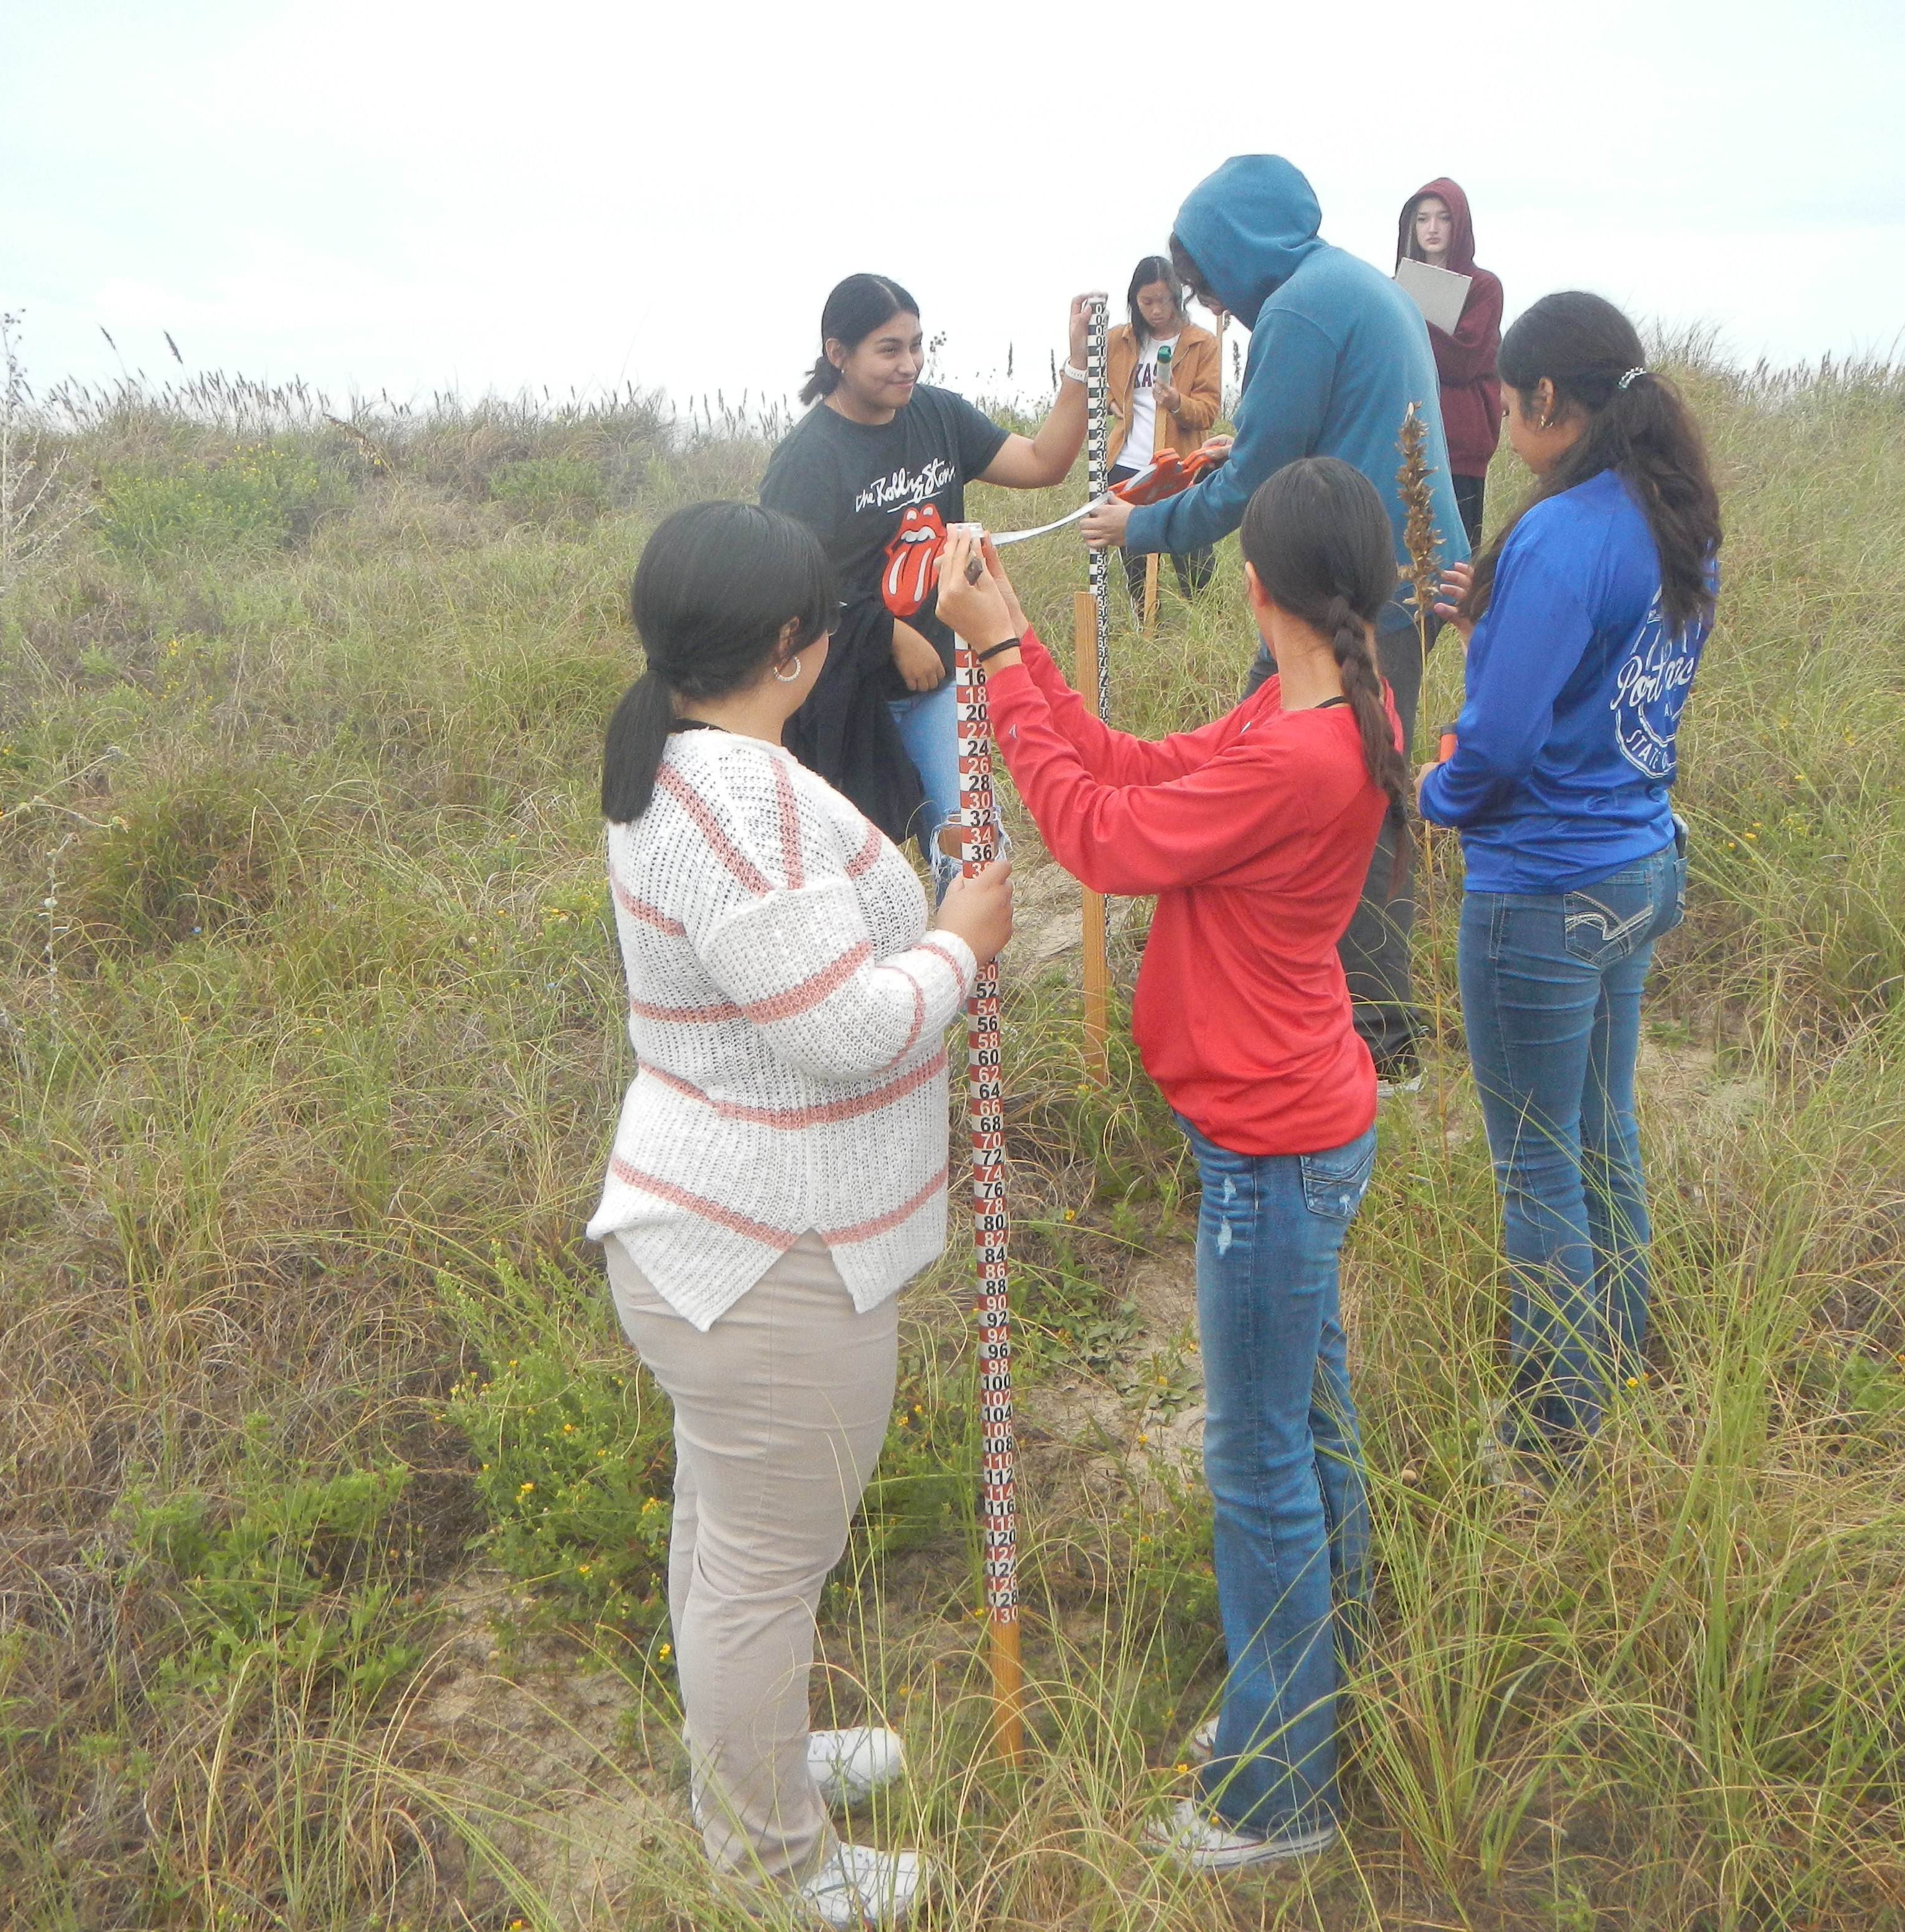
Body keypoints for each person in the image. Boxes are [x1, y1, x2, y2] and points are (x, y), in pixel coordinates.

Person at [936, 456, 1404, 1871]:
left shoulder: (1301, 745)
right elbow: (1138, 774)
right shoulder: (1317, 706)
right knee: (1307, 1422)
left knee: (1257, 1456)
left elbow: (1095, 836)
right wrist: (1021, 651)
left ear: (1255, 585)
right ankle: (1320, 1692)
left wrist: (1003, 653)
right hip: (1298, 1120)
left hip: (1272, 1146)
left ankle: (1277, 1791)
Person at [592, 500, 1015, 1926]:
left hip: (724, 1227)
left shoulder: (689, 762)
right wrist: (960, 946)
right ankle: (778, 1863)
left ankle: (752, 1753)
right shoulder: (738, 798)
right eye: (822, 624)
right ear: (788, 643)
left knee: (732, 1539)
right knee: (762, 1567)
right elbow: (839, 1028)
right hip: (771, 1246)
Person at [1080, 155, 1470, 1088]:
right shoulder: (1346, 286)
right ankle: (1292, 992)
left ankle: (1378, 1037)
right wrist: (1233, 446)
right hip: (1376, 576)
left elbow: (1255, 490)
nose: (1214, 304)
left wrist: (1140, 525)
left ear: (1240, 248)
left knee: (1344, 798)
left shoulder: (1299, 307)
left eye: (1211, 280)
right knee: (1297, 774)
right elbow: (1295, 439)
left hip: (1353, 591)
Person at [1418, 293, 1721, 1487]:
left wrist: (1423, 794)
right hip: (1639, 865)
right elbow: (1602, 673)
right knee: (1601, 1133)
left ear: (1545, 401)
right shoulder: (1673, 518)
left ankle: (1555, 1436)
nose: (1501, 416)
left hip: (1541, 889)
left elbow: (1491, 752)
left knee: (1536, 1160)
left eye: (1507, 398)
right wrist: (1490, 617)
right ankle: (1621, 1361)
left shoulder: (1555, 537)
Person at [760, 273, 1096, 890]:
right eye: (889, 349)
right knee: (860, 876)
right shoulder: (809, 458)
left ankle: (964, 983)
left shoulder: (937, 416)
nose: (909, 364)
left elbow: (1044, 463)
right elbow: (788, 585)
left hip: (941, 686)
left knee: (972, 850)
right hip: (846, 702)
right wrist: (888, 633)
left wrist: (1077, 366)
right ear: (839, 354)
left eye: (916, 345)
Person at [1106, 254, 1223, 602]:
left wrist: (1175, 402)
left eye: (1164, 301)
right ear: (1134, 302)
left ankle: (1205, 629)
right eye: (1147, 302)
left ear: (1177, 297)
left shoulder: (1201, 343)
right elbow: (1093, 384)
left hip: (1179, 465)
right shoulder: (1118, 341)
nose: (1156, 311)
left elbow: (1208, 411)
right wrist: (1110, 403)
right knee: (1136, 560)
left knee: (1193, 558)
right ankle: (1143, 626)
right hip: (1128, 465)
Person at [1395, 178, 1506, 543]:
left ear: (1459, 224)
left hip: (1461, 447)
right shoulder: (1396, 287)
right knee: (1407, 558)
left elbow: (1464, 361)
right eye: (1423, 218)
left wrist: (1410, 322)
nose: (1432, 228)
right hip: (1408, 440)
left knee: (1457, 557)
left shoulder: (1483, 287)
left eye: (1443, 218)